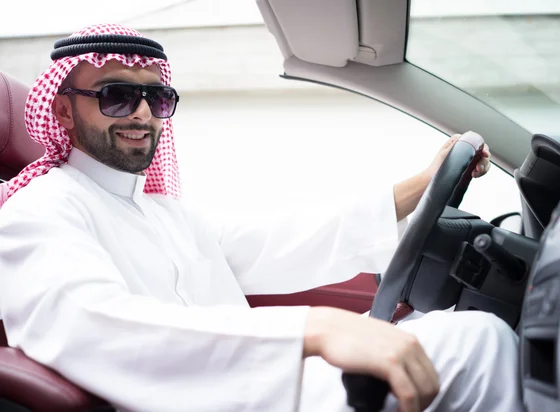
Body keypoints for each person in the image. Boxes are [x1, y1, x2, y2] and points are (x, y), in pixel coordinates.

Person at [0, 24, 523, 412]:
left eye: (155, 98)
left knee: (465, 330)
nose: (141, 112)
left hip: (258, 385)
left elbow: (282, 241)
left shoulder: (162, 212)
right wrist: (311, 330)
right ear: (64, 110)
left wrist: (421, 185)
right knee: (475, 342)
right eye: (116, 95)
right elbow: (92, 326)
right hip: (217, 398)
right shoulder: (39, 210)